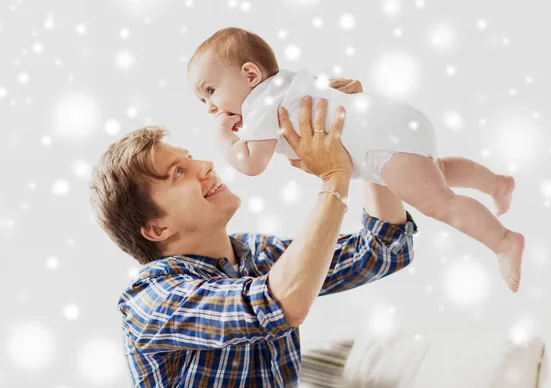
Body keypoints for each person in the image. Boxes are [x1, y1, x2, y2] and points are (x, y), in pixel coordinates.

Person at [89, 95, 418, 387]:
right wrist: (334, 179)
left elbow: (382, 251)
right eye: (177, 173)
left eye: (190, 159)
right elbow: (279, 304)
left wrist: (364, 142)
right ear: (157, 229)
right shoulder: (152, 301)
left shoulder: (257, 254)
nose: (205, 165)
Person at [187, 27, 524, 293]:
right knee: (439, 171)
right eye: (201, 101)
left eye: (211, 91)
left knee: (440, 203)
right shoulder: (286, 83)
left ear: (249, 75)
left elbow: (251, 164)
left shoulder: (259, 106)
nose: (210, 108)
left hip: (380, 145)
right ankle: (496, 183)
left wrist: (223, 137)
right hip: (393, 120)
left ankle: (504, 241)